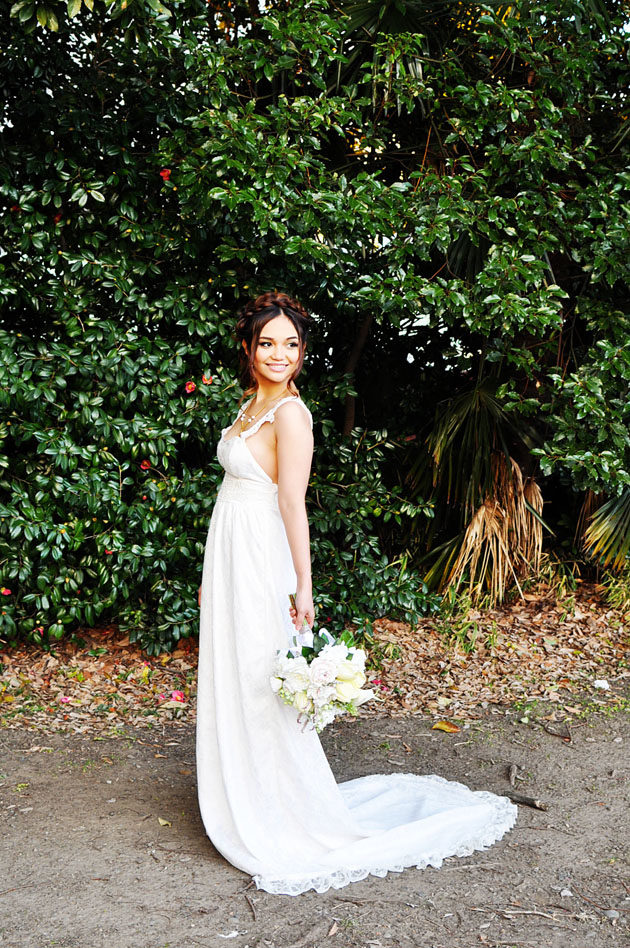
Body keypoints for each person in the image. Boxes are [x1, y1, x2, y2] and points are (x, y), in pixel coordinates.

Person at [196, 291, 517, 896]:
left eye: (291, 344)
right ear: (249, 348)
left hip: (262, 557)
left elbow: (292, 501)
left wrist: (303, 586)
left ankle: (276, 807)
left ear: (303, 352)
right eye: (268, 343)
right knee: (234, 671)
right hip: (231, 552)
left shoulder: (290, 415)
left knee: (260, 677)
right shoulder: (249, 405)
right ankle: (243, 791)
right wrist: (213, 575)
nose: (280, 354)